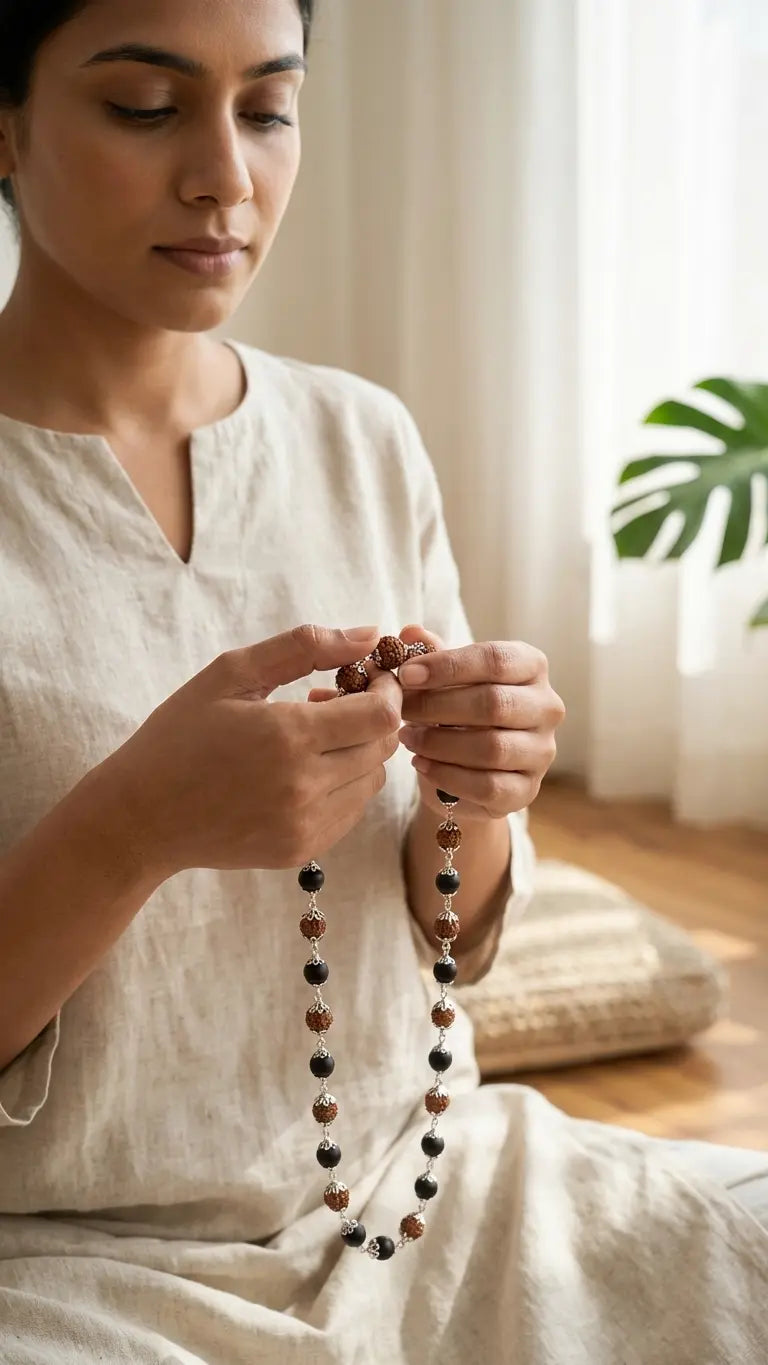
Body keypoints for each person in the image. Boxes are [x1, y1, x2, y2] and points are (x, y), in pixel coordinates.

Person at [0, 1, 765, 1361]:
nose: (227, 176)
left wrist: (477, 796)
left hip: (431, 1193)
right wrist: (132, 828)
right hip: (68, 1266)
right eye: (145, 108)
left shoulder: (361, 437)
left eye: (269, 109)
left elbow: (449, 930)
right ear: (4, 123)